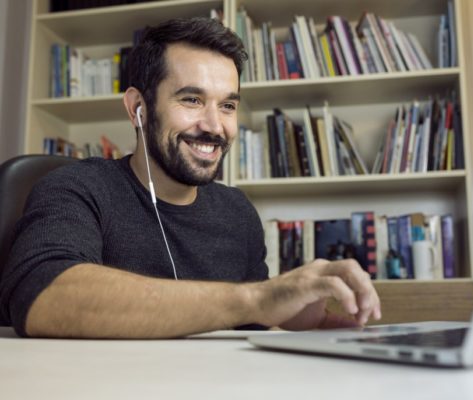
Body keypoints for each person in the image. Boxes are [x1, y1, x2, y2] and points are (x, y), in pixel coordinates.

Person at [0, 18, 380, 338]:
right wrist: (257, 300)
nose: (215, 126)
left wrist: (294, 320)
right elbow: (42, 297)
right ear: (138, 108)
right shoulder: (75, 187)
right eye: (192, 100)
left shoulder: (237, 211)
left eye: (228, 105)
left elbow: (244, 324)